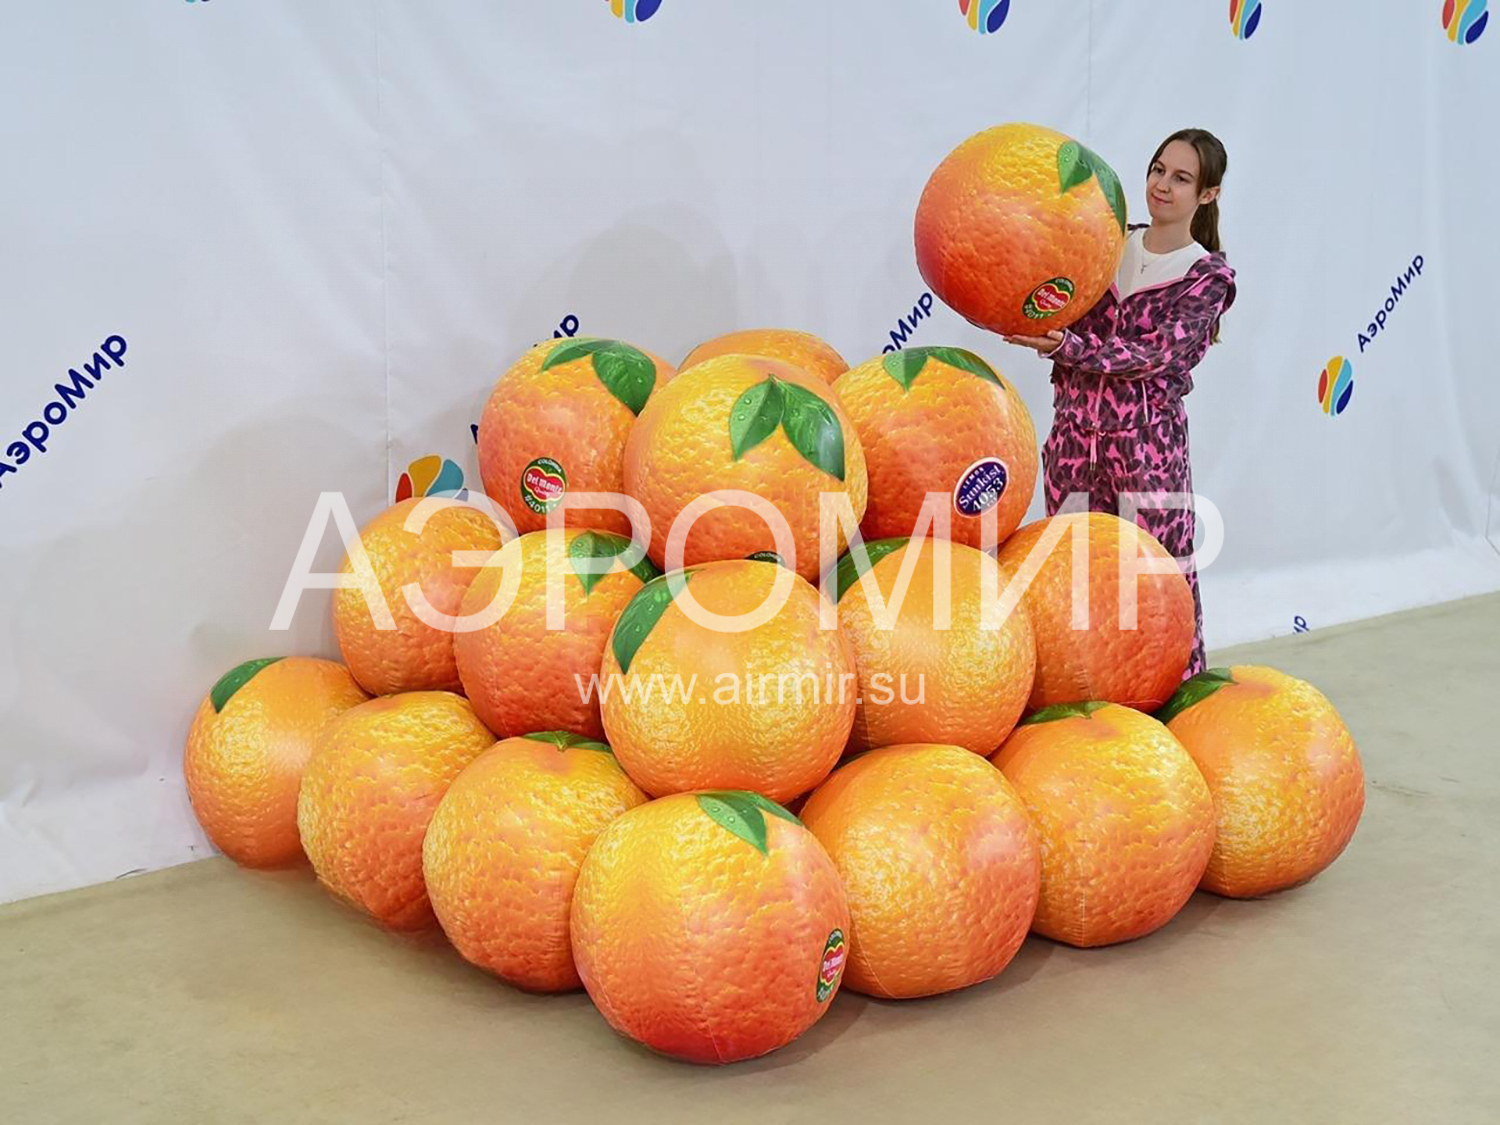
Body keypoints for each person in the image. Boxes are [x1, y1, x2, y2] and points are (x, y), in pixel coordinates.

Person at [1005, 128, 1237, 679]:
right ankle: (1078, 688)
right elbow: (1054, 290)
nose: (1162, 185)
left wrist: (1067, 346)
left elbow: (1155, 354)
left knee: (1156, 579)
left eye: (1181, 178)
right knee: (1073, 577)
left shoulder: (1208, 277)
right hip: (1073, 440)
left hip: (1147, 451)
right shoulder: (1107, 242)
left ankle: (1173, 694)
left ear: (1208, 194)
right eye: (1158, 170)